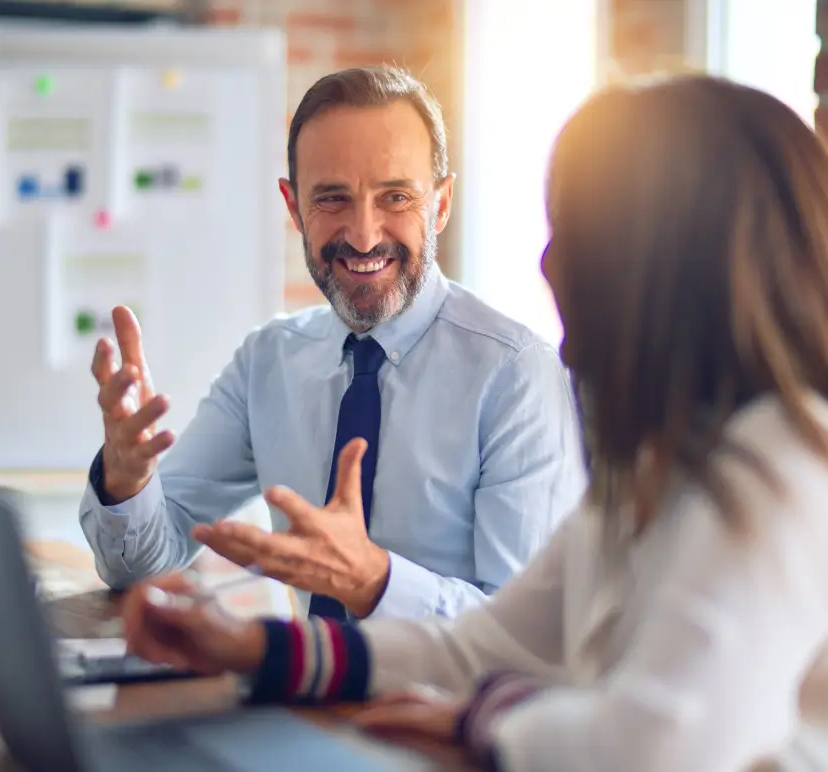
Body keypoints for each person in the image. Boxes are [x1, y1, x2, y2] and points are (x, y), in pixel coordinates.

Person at [121, 74, 828, 772]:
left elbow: (658, 748)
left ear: (681, 267)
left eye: (580, 235)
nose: (549, 261)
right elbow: (481, 647)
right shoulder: (651, 470)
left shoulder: (777, 468)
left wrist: (483, 722)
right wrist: (248, 648)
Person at [79, 65, 587, 620]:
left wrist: (376, 584)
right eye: (332, 199)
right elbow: (145, 566)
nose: (364, 235)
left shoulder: (515, 374)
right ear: (294, 207)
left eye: (395, 197)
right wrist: (126, 483)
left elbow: (529, 632)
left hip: (448, 705)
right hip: (304, 695)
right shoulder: (266, 364)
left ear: (440, 204)